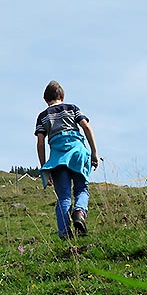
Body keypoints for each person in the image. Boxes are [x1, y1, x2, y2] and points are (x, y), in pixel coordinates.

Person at [34, 80, 99, 240]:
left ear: (45, 99)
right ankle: (79, 211)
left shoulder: (42, 116)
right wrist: (94, 152)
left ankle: (65, 233)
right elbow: (86, 127)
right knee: (82, 189)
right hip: (77, 153)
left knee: (63, 197)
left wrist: (44, 168)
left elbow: (40, 142)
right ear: (62, 96)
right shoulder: (72, 108)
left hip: (58, 159)